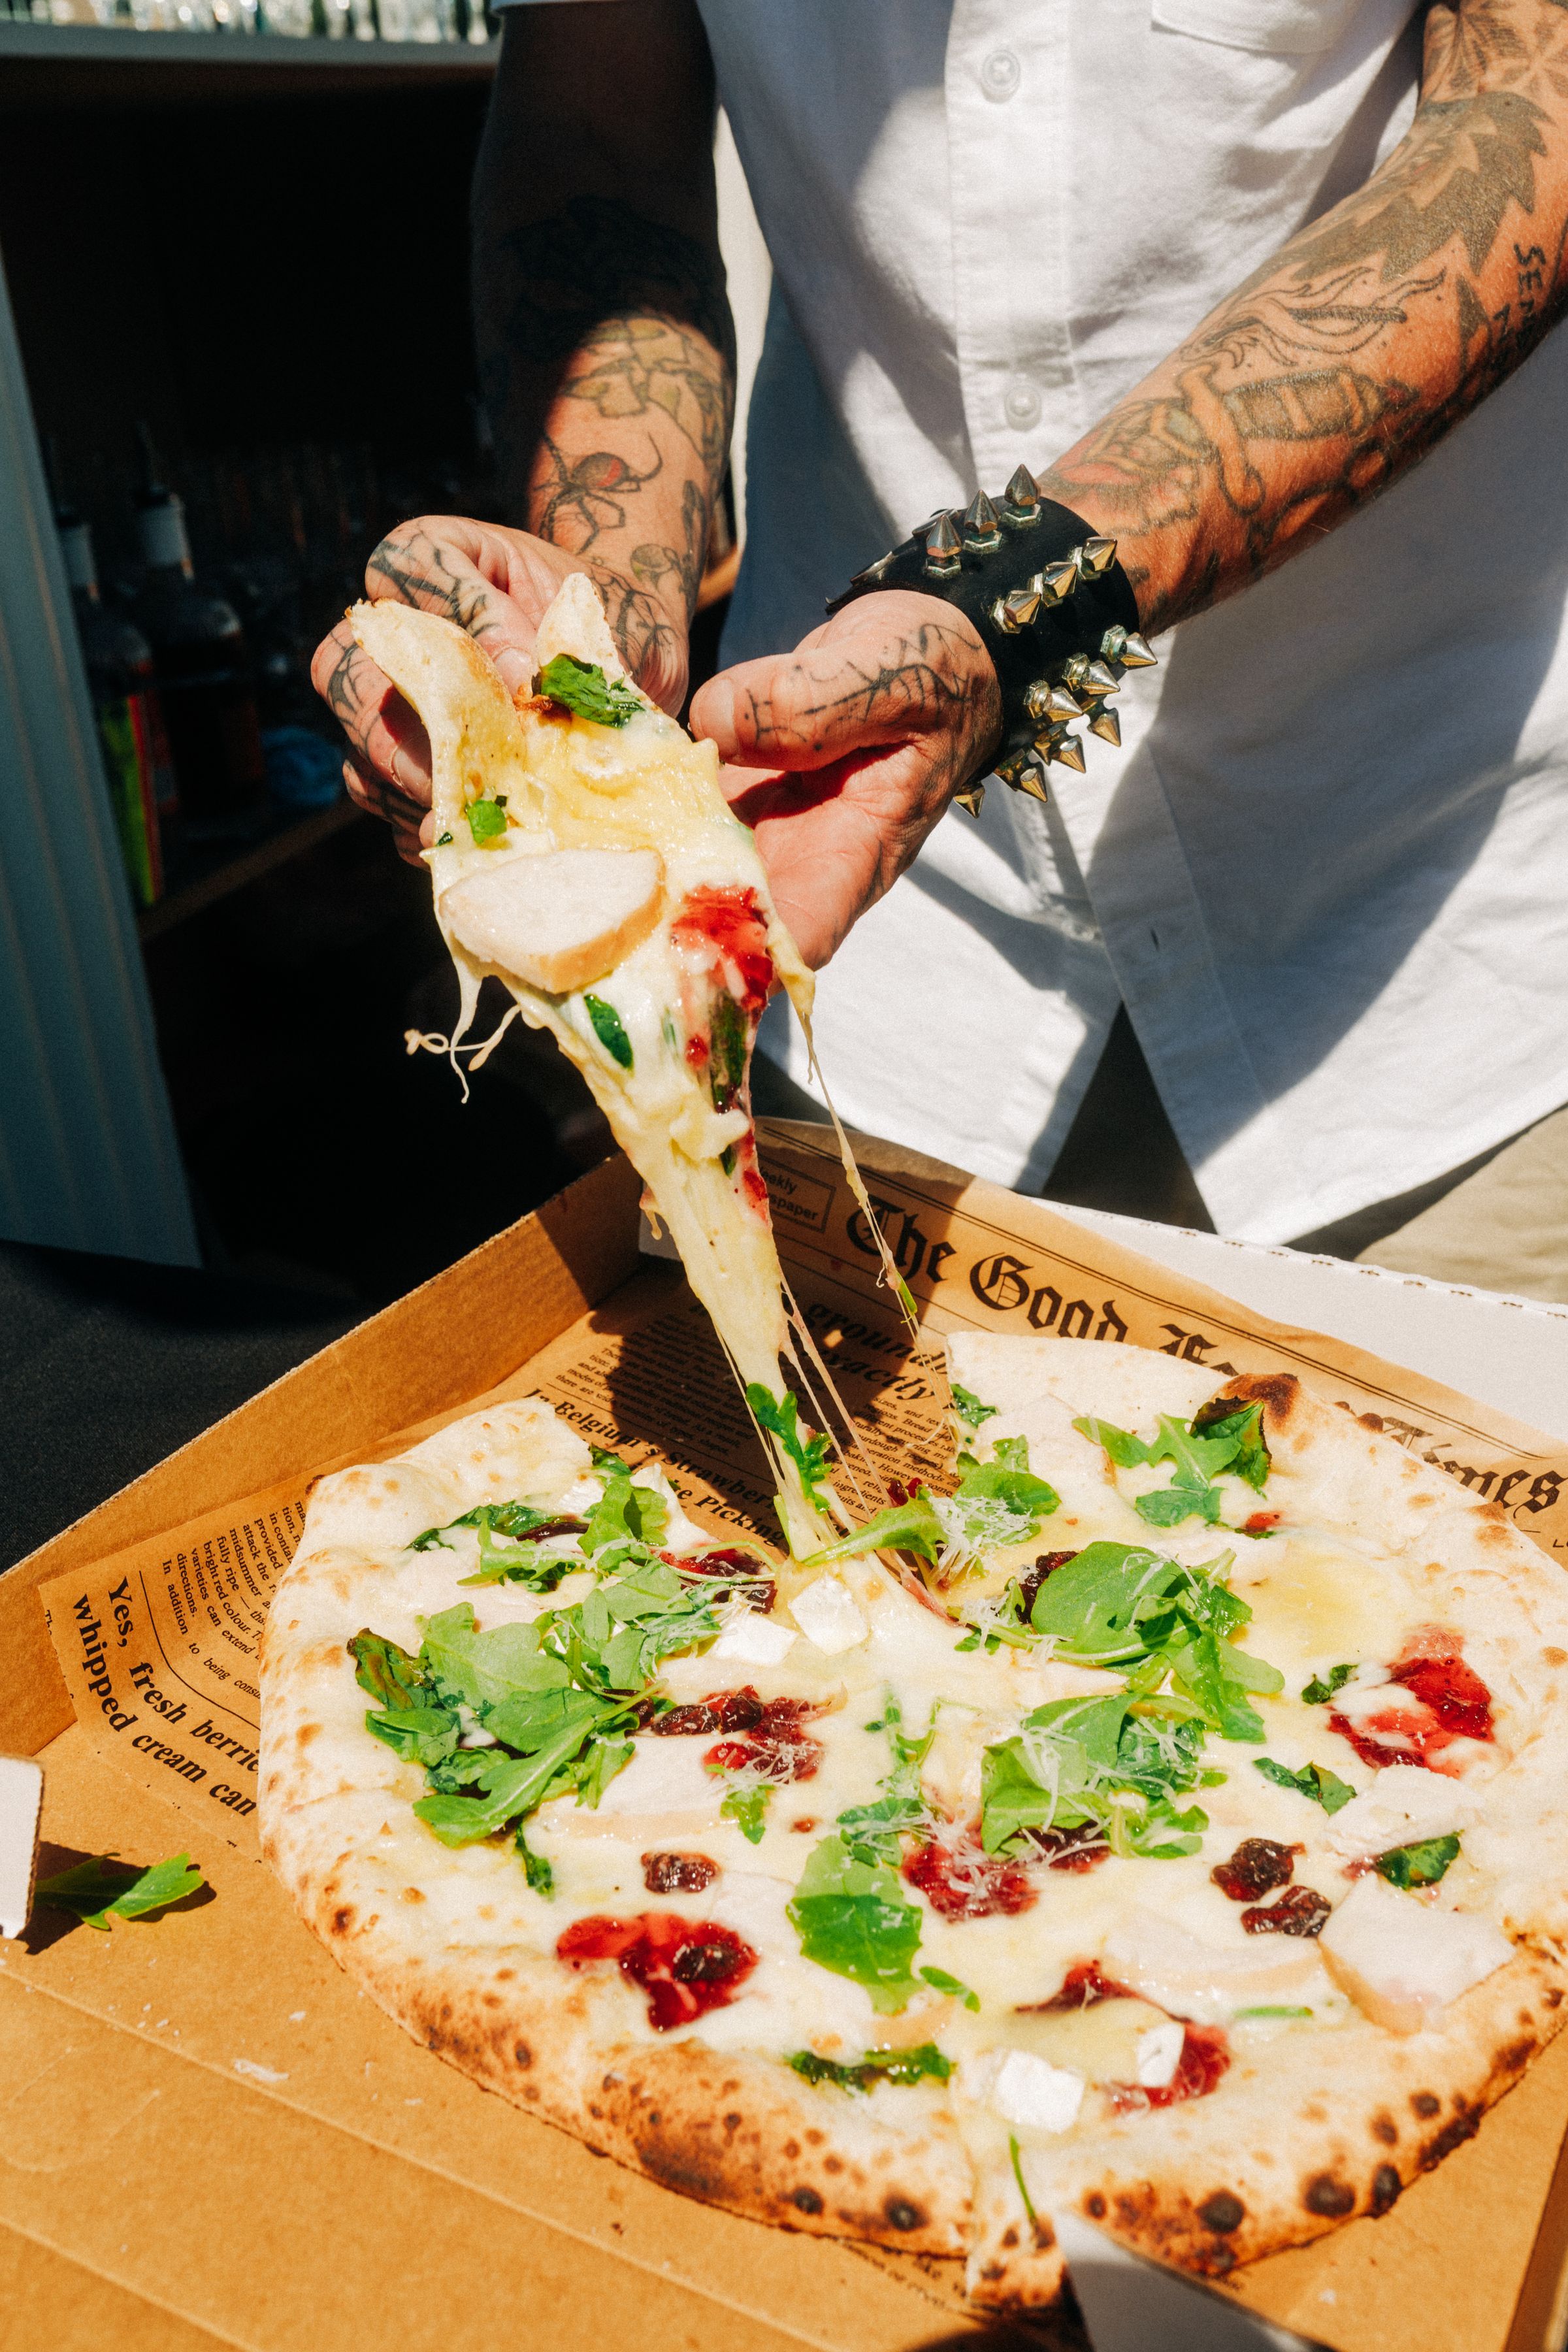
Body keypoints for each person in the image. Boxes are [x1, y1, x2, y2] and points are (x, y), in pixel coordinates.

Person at [315, 0, 1568, 1301]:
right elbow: (599, 148)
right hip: (856, 920)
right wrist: (600, 638)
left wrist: (1011, 609)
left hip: (1427, 927)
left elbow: (1533, 110)